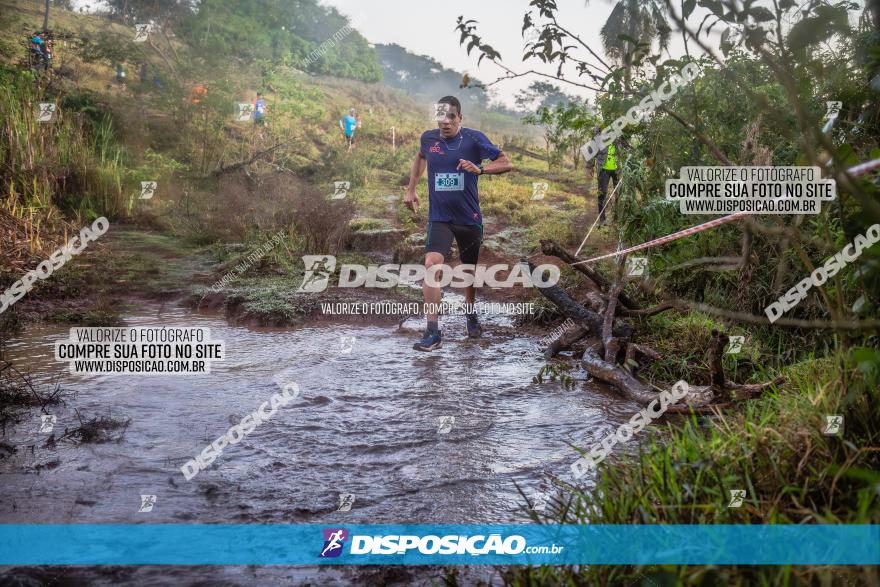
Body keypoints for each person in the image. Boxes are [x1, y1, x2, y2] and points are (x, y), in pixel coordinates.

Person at [404, 95, 513, 351]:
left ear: (459, 118)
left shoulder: (474, 139)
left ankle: (471, 313)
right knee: (432, 264)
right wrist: (411, 189)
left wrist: (480, 169)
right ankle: (433, 331)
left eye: (450, 117)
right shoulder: (429, 139)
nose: (445, 122)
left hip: (469, 219)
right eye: (441, 117)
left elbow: (506, 161)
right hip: (440, 217)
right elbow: (421, 157)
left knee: (469, 273)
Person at [591, 126, 623, 225]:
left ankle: (616, 218)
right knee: (602, 193)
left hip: (617, 170)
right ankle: (602, 219)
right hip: (603, 170)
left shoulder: (618, 138)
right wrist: (591, 166)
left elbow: (624, 151)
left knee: (619, 194)